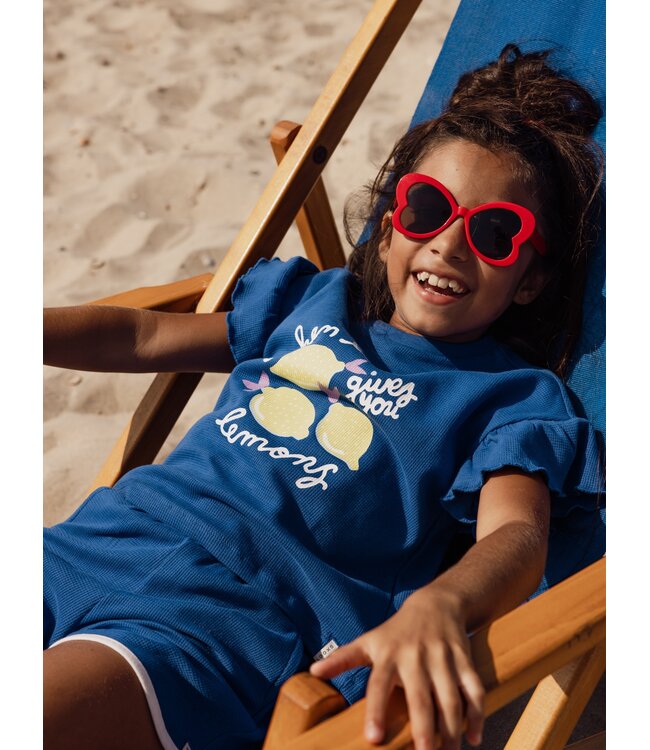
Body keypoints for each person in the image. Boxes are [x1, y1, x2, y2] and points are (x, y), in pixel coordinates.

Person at [43, 45, 604, 750]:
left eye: (496, 233)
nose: (450, 245)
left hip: (231, 619)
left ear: (530, 280)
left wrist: (444, 603)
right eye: (427, 208)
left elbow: (516, 535)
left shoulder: (510, 399)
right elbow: (142, 336)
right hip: (103, 535)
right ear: (391, 226)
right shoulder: (315, 302)